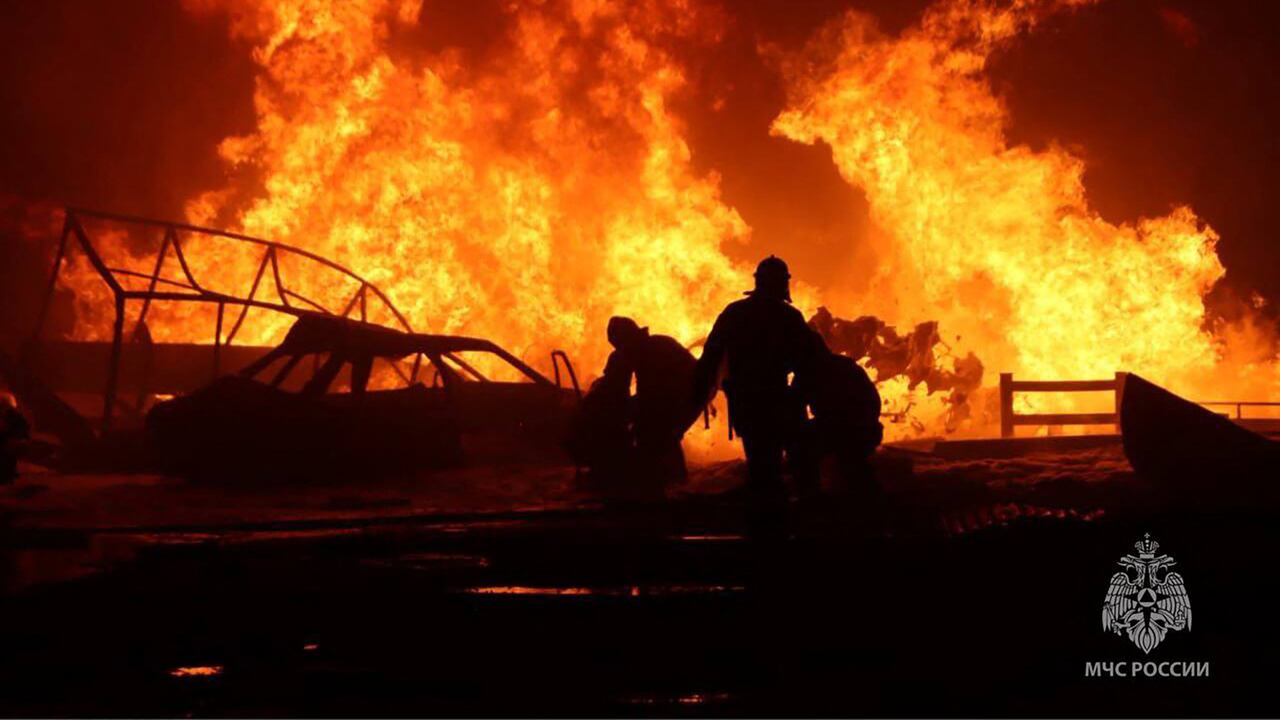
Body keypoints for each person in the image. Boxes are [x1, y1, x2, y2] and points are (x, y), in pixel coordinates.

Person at [693, 256, 819, 540]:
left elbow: (710, 358)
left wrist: (701, 392)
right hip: (777, 400)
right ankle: (794, 534)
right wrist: (799, 396)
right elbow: (809, 362)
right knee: (798, 464)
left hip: (748, 403)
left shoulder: (735, 313)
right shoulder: (788, 317)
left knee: (763, 466)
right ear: (783, 284)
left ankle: (764, 534)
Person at [567, 317, 701, 499]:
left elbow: (652, 397)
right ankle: (670, 481)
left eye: (619, 344)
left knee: (659, 434)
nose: (619, 349)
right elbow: (624, 389)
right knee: (657, 434)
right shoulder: (639, 351)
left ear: (628, 339)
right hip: (676, 397)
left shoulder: (655, 351)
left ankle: (670, 485)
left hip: (685, 396)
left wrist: (631, 417)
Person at [796, 332, 883, 496]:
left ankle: (812, 499)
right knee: (857, 472)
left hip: (846, 432)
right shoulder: (846, 366)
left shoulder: (808, 373)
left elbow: (795, 407)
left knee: (802, 450)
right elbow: (873, 402)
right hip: (864, 430)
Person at [0, 395, 30, 485]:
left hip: (9, 442)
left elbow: (21, 427)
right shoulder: (11, 416)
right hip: (8, 442)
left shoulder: (13, 416)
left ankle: (6, 478)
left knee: (7, 459)